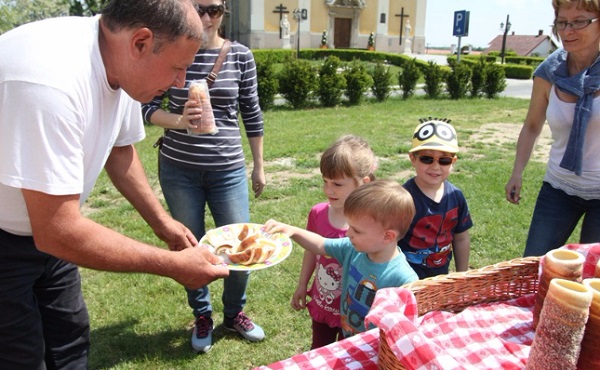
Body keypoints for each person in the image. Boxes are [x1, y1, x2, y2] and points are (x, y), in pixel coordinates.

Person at [0, 0, 230, 368]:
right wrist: (171, 266)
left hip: (43, 235)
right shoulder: (49, 81)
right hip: (12, 237)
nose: (180, 83)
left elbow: (120, 153)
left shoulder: (120, 64)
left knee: (70, 339)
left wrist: (163, 223)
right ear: (141, 42)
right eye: (177, 67)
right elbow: (57, 230)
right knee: (20, 356)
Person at [141, 0, 266, 353]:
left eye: (215, 10)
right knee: (189, 245)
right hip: (179, 170)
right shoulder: (173, 50)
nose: (208, 18)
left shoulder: (240, 56)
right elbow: (147, 107)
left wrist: (259, 165)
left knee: (242, 247)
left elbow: (252, 113)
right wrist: (181, 119)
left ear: (224, 12)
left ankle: (234, 313)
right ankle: (202, 315)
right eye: (200, 9)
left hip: (228, 170)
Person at [505, 0, 600, 257]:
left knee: (594, 282)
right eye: (562, 22)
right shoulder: (548, 72)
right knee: (533, 267)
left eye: (580, 21)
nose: (568, 31)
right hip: (558, 189)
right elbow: (532, 125)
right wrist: (517, 173)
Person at [264, 180, 418, 338]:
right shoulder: (352, 249)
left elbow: (406, 330)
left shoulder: (404, 279)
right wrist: (292, 230)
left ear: (388, 236)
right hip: (348, 335)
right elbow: (320, 244)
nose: (347, 233)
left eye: (356, 230)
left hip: (376, 350)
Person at [291, 135, 377, 349]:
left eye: (337, 184)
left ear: (363, 182)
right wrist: (302, 284)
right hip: (323, 303)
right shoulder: (318, 213)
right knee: (319, 351)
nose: (329, 190)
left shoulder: (371, 223)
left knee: (351, 357)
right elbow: (311, 251)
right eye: (325, 181)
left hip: (355, 312)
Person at [398, 118, 472, 279]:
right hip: (405, 277)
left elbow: (461, 238)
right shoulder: (403, 198)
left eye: (444, 160)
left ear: (453, 162)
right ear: (412, 159)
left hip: (439, 277)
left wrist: (462, 275)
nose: (435, 166)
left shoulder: (456, 197)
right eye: (426, 158)